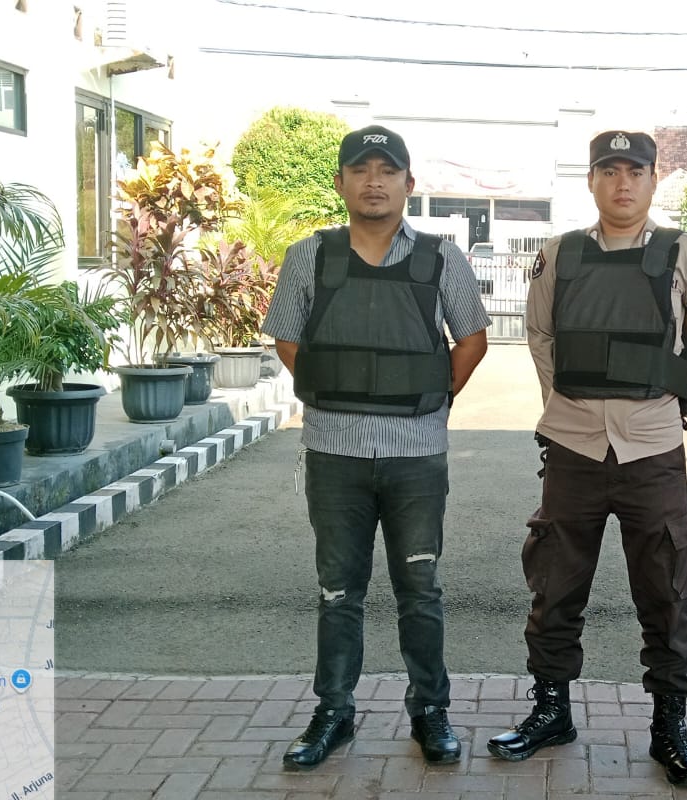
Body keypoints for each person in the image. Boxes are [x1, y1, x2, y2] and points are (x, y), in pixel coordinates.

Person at [486, 130, 687, 787]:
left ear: (653, 179)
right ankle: (550, 711)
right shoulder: (558, 254)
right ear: (592, 180)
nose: (623, 183)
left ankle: (669, 728)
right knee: (555, 583)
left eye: (635, 171)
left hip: (653, 449)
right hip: (571, 449)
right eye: (609, 171)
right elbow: (539, 333)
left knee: (667, 588)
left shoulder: (685, 252)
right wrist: (561, 400)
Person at [262, 125, 491, 770]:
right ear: (340, 182)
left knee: (420, 588)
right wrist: (333, 389)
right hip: (334, 453)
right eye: (360, 170)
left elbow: (471, 340)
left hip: (416, 455)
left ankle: (431, 712)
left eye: (387, 171)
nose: (373, 181)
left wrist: (428, 398)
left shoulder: (442, 258)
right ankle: (334, 712)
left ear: (408, 184)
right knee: (338, 591)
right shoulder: (309, 256)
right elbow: (287, 339)